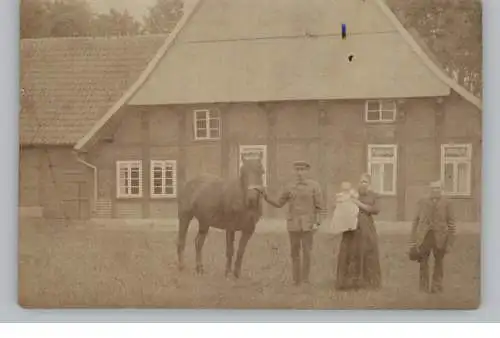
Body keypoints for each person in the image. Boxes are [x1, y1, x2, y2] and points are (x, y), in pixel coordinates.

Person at [258, 160, 326, 285]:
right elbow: (279, 203)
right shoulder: (289, 186)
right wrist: (265, 196)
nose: (300, 173)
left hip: (308, 225)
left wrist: (318, 222)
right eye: (297, 170)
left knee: (307, 252)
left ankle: (305, 279)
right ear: (294, 172)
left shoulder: (314, 186)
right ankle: (296, 280)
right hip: (293, 224)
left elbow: (320, 207)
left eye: (302, 170)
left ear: (307, 171)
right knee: (294, 252)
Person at [335, 173, 382, 291]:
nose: (363, 184)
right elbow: (340, 204)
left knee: (366, 253)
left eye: (365, 182)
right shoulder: (352, 194)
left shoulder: (374, 196)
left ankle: (367, 281)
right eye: (361, 181)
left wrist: (358, 203)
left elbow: (375, 210)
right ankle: (348, 282)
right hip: (351, 227)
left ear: (369, 184)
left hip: (366, 228)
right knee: (350, 253)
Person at [410, 181, 456, 293]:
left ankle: (437, 286)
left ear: (442, 190)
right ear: (429, 190)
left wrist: (450, 242)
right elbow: (415, 221)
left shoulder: (447, 203)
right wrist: (413, 240)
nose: (435, 191)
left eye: (438, 188)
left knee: (439, 263)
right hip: (425, 237)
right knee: (423, 262)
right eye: (433, 188)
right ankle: (423, 287)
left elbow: (451, 223)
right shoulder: (422, 202)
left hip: (440, 237)